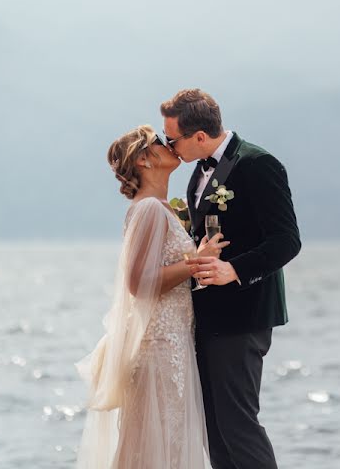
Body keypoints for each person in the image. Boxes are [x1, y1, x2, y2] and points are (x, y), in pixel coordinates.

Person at [161, 89, 301, 469]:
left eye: (173, 139)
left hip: (245, 315)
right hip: (206, 314)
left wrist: (235, 269)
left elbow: (287, 241)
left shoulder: (258, 164)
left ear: (200, 137)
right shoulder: (196, 174)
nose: (169, 147)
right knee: (213, 426)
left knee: (238, 423)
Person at [75, 125, 228, 468]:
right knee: (158, 445)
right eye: (160, 141)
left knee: (168, 445)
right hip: (159, 347)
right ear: (144, 159)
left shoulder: (162, 208)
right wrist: (195, 262)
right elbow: (137, 282)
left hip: (174, 342)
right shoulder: (149, 211)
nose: (170, 142)